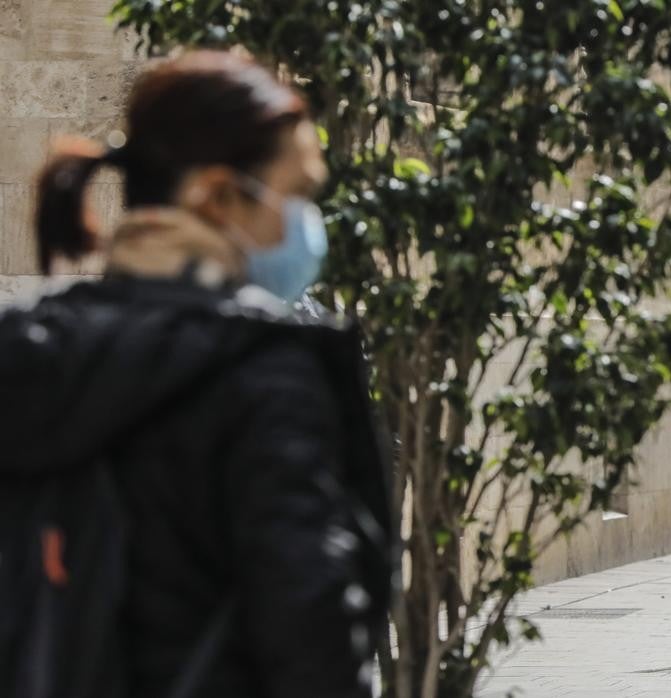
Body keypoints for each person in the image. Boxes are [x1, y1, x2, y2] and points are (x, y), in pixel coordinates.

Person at [0, 52, 392, 698]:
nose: (305, 226)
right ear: (216, 195)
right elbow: (312, 642)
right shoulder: (264, 375)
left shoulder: (33, 353)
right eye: (294, 195)